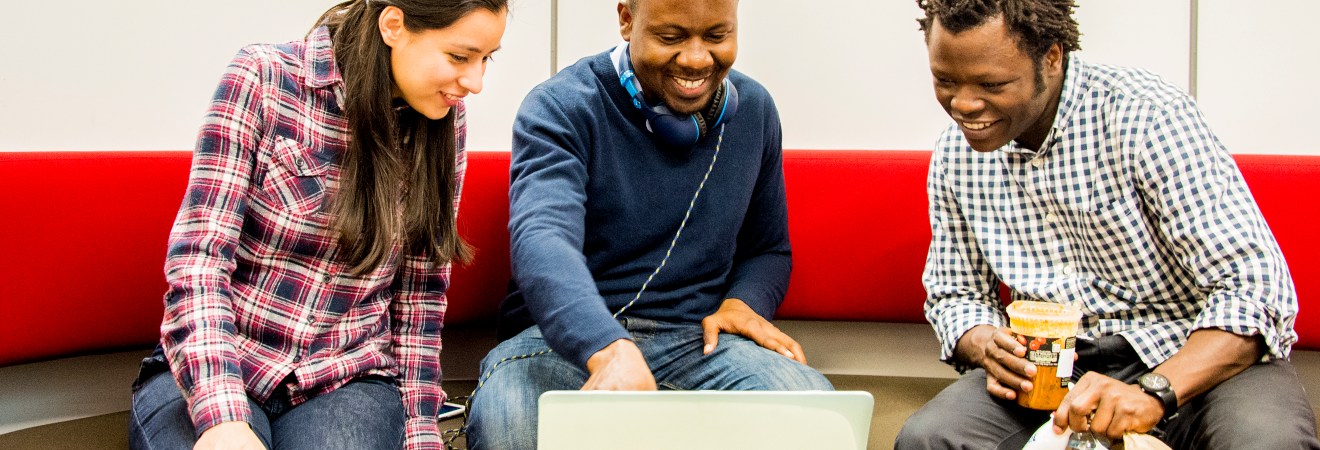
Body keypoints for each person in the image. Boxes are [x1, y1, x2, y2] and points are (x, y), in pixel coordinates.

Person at [896, 0, 1320, 448]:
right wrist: (982, 340)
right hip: (1053, 363)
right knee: (930, 438)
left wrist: (1156, 390)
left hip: (1190, 355)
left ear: (1052, 58)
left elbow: (1253, 288)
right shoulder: (954, 152)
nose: (962, 104)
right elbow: (955, 293)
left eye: (992, 83)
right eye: (945, 80)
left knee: (1267, 443)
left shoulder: (1146, 116)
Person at [127, 1, 507, 449]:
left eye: (487, 59)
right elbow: (200, 262)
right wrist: (222, 416)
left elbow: (419, 297)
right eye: (460, 57)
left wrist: (420, 433)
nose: (476, 82)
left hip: (346, 377)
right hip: (222, 359)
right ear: (393, 25)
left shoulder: (443, 116)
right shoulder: (263, 78)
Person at [463, 0, 833, 448]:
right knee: (511, 422)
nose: (697, 59)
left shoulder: (753, 110)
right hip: (562, 345)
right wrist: (606, 347)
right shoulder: (560, 106)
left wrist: (744, 303)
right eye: (671, 37)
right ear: (626, 19)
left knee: (815, 414)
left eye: (717, 36)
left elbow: (767, 249)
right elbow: (543, 241)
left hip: (699, 342)